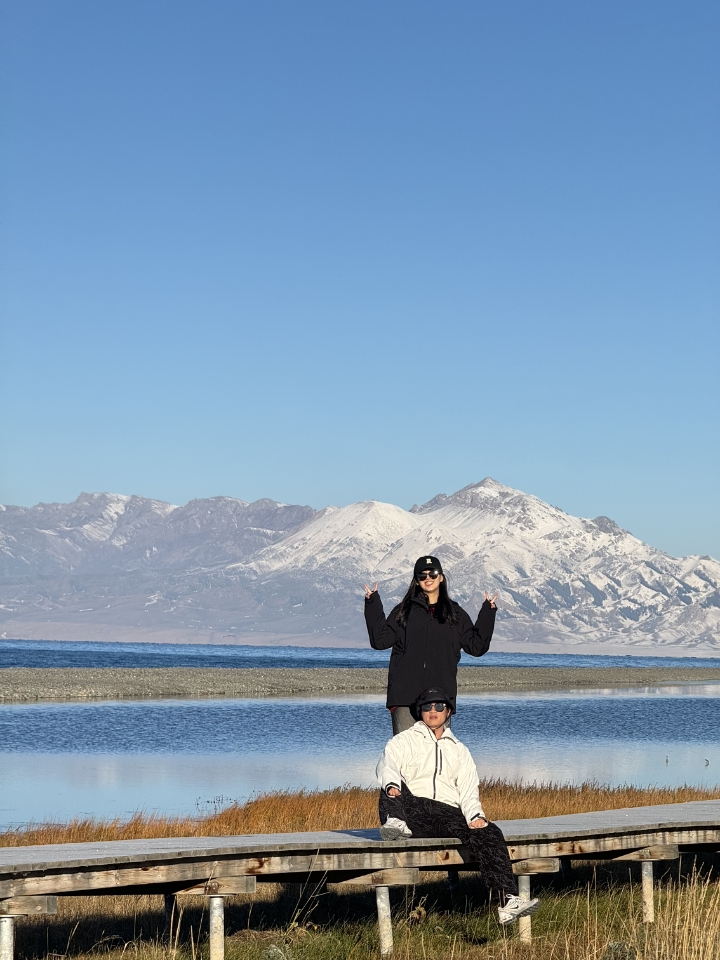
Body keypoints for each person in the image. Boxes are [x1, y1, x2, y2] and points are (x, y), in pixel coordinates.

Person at [376, 686, 540, 926]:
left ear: (448, 711)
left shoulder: (459, 750)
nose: (433, 711)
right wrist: (392, 786)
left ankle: (507, 901)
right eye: (427, 707)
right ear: (419, 711)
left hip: (445, 813)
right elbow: (387, 765)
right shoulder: (403, 741)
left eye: (439, 706)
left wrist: (475, 816)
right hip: (412, 810)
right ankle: (395, 823)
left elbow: (468, 789)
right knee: (390, 783)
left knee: (490, 832)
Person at [363, 555, 497, 734]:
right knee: (405, 756)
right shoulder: (404, 610)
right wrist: (372, 604)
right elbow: (380, 641)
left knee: (436, 755)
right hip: (405, 697)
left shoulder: (454, 613)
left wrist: (487, 613)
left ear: (441, 577)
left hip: (440, 697)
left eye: (433, 573)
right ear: (416, 580)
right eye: (422, 575)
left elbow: (476, 647)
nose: (428, 578)